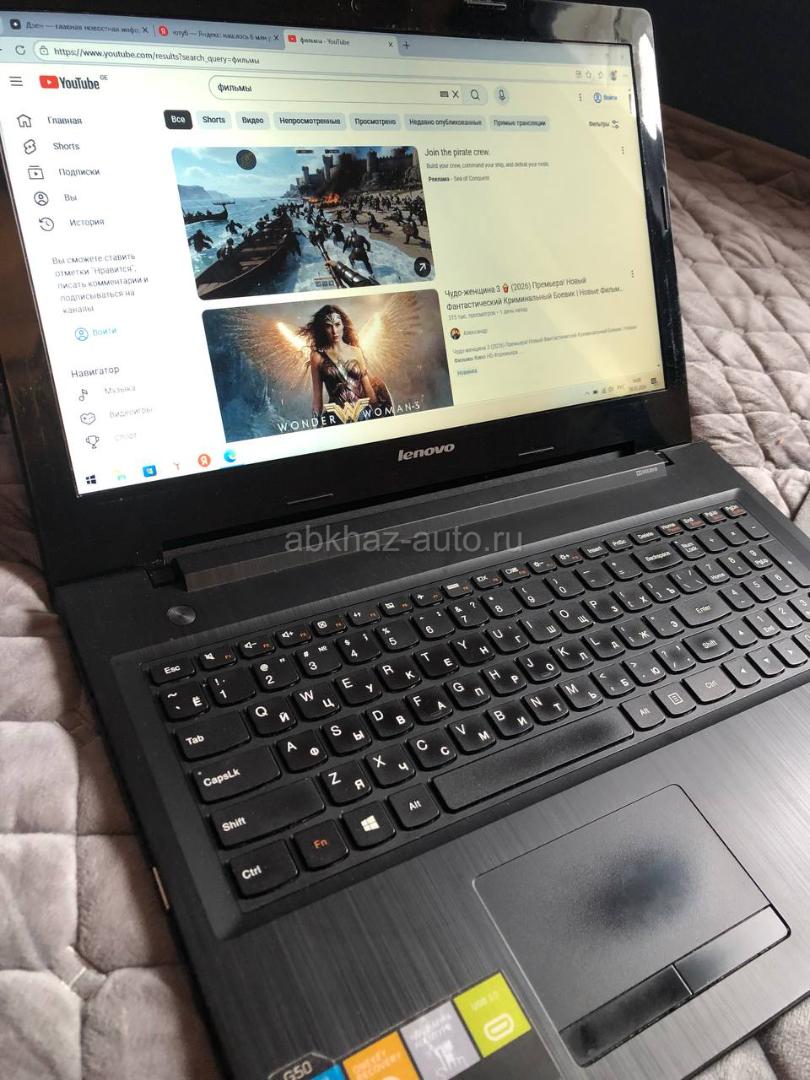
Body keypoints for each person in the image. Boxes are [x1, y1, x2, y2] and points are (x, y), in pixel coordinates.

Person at [304, 305, 392, 420]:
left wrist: (378, 415)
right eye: (329, 326)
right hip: (336, 417)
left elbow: (367, 388)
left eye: (337, 324)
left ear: (343, 325)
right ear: (323, 329)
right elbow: (317, 398)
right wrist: (316, 423)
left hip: (363, 415)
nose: (334, 331)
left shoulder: (356, 351)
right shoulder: (317, 357)